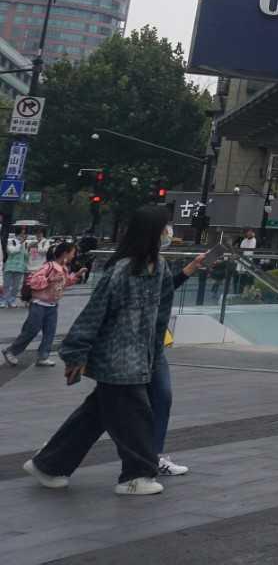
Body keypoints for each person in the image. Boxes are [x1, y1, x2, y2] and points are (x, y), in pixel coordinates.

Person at [23, 206, 178, 496]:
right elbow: (95, 313)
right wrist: (77, 353)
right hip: (115, 358)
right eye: (164, 228)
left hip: (139, 357)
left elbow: (161, 318)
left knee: (94, 416)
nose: (168, 234)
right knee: (135, 416)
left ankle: (49, 465)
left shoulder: (161, 268)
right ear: (151, 232)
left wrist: (154, 354)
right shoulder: (122, 270)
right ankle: (136, 476)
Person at [150, 232, 221, 479]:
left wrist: (190, 268)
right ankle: (54, 456)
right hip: (132, 346)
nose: (168, 237)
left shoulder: (157, 263)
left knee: (161, 398)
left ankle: (153, 456)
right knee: (104, 409)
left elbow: (164, 292)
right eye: (163, 232)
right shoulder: (130, 264)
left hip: (152, 344)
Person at [4, 240, 85, 366]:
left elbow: (64, 283)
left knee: (50, 332)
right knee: (31, 330)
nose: (73, 256)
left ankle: (43, 356)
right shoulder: (49, 266)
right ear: (65, 253)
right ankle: (11, 351)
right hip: (39, 304)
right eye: (73, 253)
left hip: (52, 305)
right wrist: (50, 279)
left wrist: (76, 276)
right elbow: (34, 281)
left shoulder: (63, 268)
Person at [0, 231, 24, 307]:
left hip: (20, 267)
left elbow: (26, 255)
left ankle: (12, 300)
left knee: (16, 286)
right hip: (9, 267)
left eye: (24, 234)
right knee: (6, 285)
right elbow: (11, 251)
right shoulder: (11, 241)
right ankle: (3, 300)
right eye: (21, 233)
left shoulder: (25, 243)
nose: (23, 235)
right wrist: (20, 243)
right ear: (17, 234)